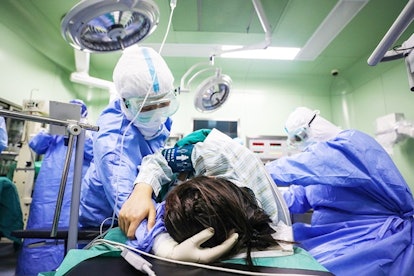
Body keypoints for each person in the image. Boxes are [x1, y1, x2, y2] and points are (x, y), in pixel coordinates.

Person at [265, 106, 414, 276]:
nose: (300, 144)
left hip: (376, 239)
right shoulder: (319, 168)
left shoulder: (351, 144)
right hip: (335, 237)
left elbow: (307, 164)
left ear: (315, 127)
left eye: (300, 137)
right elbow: (298, 197)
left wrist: (259, 171)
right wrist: (259, 199)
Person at [119, 128, 296, 265]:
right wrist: (142, 189)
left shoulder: (268, 222)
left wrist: (165, 247)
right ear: (208, 176)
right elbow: (160, 159)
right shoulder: (209, 158)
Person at [78, 45, 179, 229]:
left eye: (163, 104)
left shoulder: (159, 120)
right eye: (147, 109)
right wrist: (165, 244)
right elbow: (133, 216)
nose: (157, 115)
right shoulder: (115, 143)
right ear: (125, 103)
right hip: (103, 223)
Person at [16, 99, 94, 276]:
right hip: (48, 197)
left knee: (73, 234)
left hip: (74, 196)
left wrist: (83, 130)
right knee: (41, 235)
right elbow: (36, 144)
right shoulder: (53, 137)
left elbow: (95, 152)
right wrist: (53, 126)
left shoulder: (86, 135)